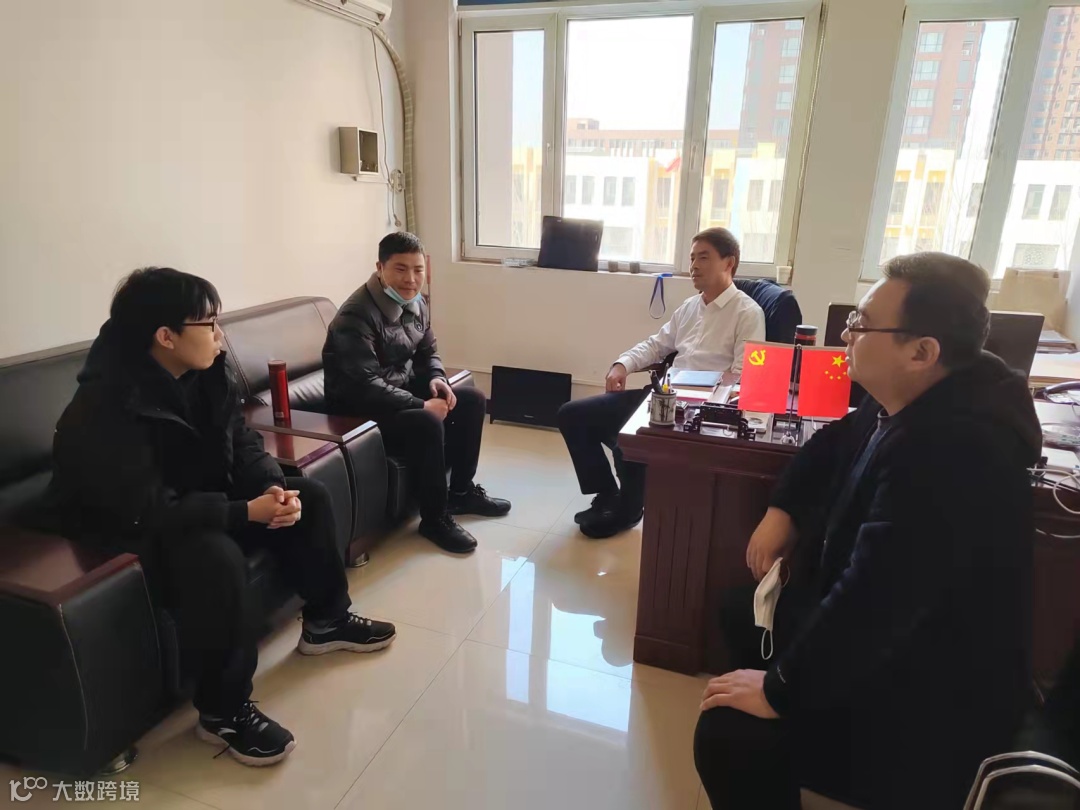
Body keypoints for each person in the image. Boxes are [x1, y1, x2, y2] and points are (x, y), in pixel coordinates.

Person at [693, 253, 1041, 810]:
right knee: (743, 610)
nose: (846, 333)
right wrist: (783, 509)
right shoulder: (917, 396)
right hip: (900, 641)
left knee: (727, 735)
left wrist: (782, 690)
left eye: (862, 323)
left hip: (932, 693)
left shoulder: (954, 449)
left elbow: (877, 600)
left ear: (922, 352)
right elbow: (832, 444)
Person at [50, 268, 396, 768]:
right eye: (208, 324)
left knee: (308, 497)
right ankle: (223, 711)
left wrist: (269, 486)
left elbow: (242, 440)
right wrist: (242, 513)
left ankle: (327, 621)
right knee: (215, 556)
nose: (219, 335)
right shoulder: (104, 407)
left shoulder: (208, 371)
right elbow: (144, 509)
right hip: (125, 532)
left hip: (195, 502)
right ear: (165, 336)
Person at [557, 228, 765, 539]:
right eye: (692, 258)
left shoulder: (748, 313)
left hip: (697, 411)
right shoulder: (690, 307)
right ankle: (608, 494)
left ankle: (628, 509)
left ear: (729, 263)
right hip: (662, 396)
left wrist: (700, 393)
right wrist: (622, 364)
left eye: (704, 258)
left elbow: (742, 375)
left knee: (628, 438)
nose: (694, 266)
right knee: (572, 415)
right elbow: (656, 345)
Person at [322, 231, 511, 555]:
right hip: (359, 410)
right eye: (400, 269)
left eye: (418, 269)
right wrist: (421, 404)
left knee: (472, 400)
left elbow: (428, 353)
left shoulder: (417, 302)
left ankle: (461, 493)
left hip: (396, 394)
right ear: (380, 268)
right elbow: (364, 384)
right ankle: (434, 519)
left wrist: (437, 379)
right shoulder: (355, 315)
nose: (411, 279)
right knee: (427, 421)